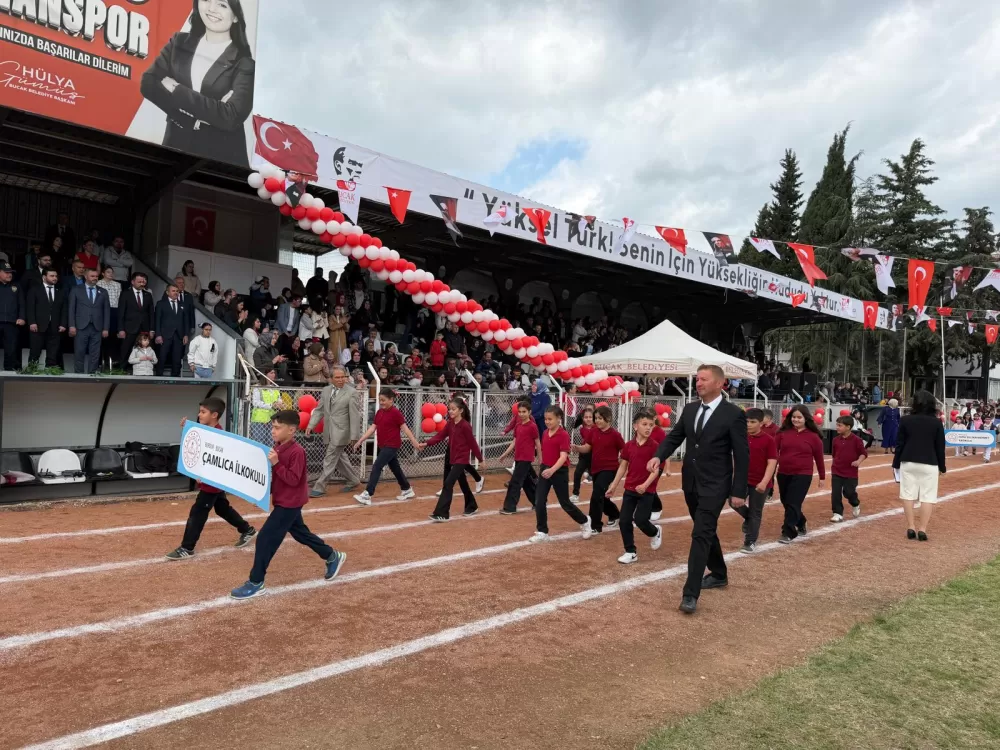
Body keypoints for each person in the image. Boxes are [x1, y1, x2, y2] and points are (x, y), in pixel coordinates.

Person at [648, 364, 749, 615]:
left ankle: (690, 594)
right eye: (697, 379)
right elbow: (675, 436)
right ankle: (719, 573)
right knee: (705, 529)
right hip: (691, 482)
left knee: (701, 533)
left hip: (716, 484)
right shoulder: (691, 409)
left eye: (704, 379)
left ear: (719, 383)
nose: (698, 383)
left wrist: (738, 490)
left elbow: (742, 454)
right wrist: (659, 456)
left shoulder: (733, 414)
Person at [230, 410, 347, 600]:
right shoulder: (277, 448)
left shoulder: (297, 452)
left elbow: (293, 479)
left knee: (265, 538)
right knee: (301, 533)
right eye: (273, 427)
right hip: (284, 500)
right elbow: (275, 479)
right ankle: (332, 555)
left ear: (291, 430)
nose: (273, 431)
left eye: (277, 428)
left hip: (290, 503)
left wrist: (276, 464)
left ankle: (256, 582)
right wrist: (262, 493)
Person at [140, 0, 255, 168]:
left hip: (220, 162)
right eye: (207, 0)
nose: (212, 9)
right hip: (175, 150)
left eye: (222, 5)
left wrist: (176, 89)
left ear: (236, 16)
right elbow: (148, 82)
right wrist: (192, 117)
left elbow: (230, 116)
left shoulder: (244, 63)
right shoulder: (179, 42)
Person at [167, 399, 257, 560]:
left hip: (213, 482)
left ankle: (187, 547)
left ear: (214, 415)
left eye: (203, 412)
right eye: (200, 411)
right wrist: (186, 429)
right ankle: (247, 530)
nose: (199, 415)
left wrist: (206, 476)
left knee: (198, 512)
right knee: (221, 508)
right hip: (209, 480)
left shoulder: (219, 435)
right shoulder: (204, 430)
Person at [606, 408, 664, 563]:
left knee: (640, 520)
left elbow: (656, 470)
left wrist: (645, 485)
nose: (648, 428)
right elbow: (623, 467)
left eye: (651, 425)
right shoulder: (629, 445)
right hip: (630, 488)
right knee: (624, 520)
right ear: (635, 426)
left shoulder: (655, 446)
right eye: (644, 424)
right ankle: (630, 551)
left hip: (647, 490)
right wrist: (613, 485)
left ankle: (655, 532)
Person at [529, 404, 591, 543]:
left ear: (559, 418)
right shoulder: (545, 433)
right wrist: (543, 465)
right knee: (539, 501)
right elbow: (545, 451)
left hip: (559, 471)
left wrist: (552, 470)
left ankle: (585, 520)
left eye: (550, 419)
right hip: (546, 469)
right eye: (546, 419)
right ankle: (542, 531)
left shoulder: (563, 435)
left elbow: (563, 456)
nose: (547, 422)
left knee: (565, 503)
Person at [352, 388, 421, 505]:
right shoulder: (379, 412)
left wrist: (414, 442)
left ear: (391, 400)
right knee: (395, 468)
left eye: (383, 400)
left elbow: (405, 428)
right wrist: (361, 440)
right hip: (383, 445)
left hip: (392, 445)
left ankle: (368, 494)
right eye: (380, 400)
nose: (381, 402)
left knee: (377, 466)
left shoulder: (396, 413)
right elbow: (372, 428)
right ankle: (407, 489)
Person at [893, 390, 947, 542]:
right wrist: (942, 467)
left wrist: (896, 464)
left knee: (907, 495)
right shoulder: (936, 422)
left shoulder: (905, 420)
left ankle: (911, 527)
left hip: (908, 460)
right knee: (927, 497)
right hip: (930, 462)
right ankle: (922, 529)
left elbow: (899, 444)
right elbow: (940, 447)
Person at [423, 397, 485, 521]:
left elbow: (472, 443)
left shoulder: (465, 426)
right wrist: (427, 443)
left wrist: (480, 459)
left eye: (453, 409)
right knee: (463, 484)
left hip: (461, 460)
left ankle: (442, 513)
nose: (450, 411)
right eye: (449, 409)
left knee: (448, 483)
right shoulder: (450, 423)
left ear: (461, 410)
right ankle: (472, 506)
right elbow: (440, 436)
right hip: (453, 458)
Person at [306, 366, 362, 496]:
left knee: (330, 458)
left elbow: (355, 415)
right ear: (331, 378)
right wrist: (311, 425)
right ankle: (353, 480)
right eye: (337, 377)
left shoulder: (352, 392)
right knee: (340, 458)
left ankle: (319, 487)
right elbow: (319, 410)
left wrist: (354, 435)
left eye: (343, 377)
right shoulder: (326, 391)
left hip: (342, 431)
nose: (341, 380)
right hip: (329, 430)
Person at [774, 404, 826, 544]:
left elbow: (819, 458)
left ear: (806, 418)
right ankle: (801, 521)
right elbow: (774, 453)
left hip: (803, 474)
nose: (796, 420)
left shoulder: (814, 437)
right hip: (783, 472)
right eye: (793, 417)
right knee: (786, 501)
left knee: (793, 501)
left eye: (799, 417)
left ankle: (788, 532)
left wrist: (822, 476)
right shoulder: (782, 433)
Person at [574, 405, 624, 534]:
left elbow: (623, 451)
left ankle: (595, 525)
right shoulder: (593, 432)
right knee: (602, 495)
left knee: (596, 495)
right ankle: (615, 515)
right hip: (596, 469)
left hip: (609, 469)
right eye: (596, 418)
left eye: (600, 418)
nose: (597, 421)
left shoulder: (615, 435)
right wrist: (577, 448)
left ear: (608, 419)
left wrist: (621, 463)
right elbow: (587, 447)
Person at [736, 408, 777, 553]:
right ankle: (749, 519)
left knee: (755, 511)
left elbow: (772, 462)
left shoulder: (769, 440)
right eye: (746, 421)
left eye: (752, 422)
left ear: (761, 423)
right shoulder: (740, 437)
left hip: (760, 482)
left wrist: (764, 482)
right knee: (733, 502)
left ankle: (750, 541)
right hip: (742, 480)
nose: (749, 424)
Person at [497, 400, 539, 515]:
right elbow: (514, 442)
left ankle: (510, 507)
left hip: (526, 458)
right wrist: (505, 454)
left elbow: (537, 442)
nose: (521, 414)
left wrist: (541, 458)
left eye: (524, 412)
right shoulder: (518, 426)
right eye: (519, 412)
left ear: (529, 412)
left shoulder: (532, 426)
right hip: (518, 457)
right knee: (526, 482)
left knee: (515, 482)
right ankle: (538, 502)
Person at [67, 268, 110, 374]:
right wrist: (71, 325)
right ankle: (79, 375)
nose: (95, 278)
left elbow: (106, 311)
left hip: (97, 327)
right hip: (80, 326)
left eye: (96, 276)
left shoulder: (103, 291)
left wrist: (106, 328)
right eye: (92, 276)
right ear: (85, 276)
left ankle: (92, 374)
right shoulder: (76, 289)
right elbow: (71, 309)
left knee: (95, 353)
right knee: (79, 352)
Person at [25, 267, 65, 368]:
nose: (55, 278)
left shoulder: (60, 291)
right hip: (38, 325)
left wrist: (63, 324)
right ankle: (31, 371)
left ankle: (50, 371)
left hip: (55, 326)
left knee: (53, 353)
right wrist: (32, 322)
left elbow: (64, 309)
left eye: (56, 276)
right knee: (35, 351)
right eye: (52, 276)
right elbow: (30, 308)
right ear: (44, 277)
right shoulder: (35, 289)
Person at [830, 415, 868, 522]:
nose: (837, 427)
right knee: (835, 493)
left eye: (840, 425)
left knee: (849, 492)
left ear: (848, 427)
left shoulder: (857, 440)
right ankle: (837, 513)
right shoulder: (835, 440)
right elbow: (834, 454)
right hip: (836, 470)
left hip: (850, 472)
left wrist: (858, 461)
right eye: (837, 425)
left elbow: (863, 453)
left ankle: (855, 503)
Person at [117, 272, 154, 365]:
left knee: (143, 350)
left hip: (144, 328)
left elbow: (151, 313)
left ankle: (140, 370)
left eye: (143, 282)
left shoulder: (148, 295)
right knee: (125, 350)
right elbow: (121, 313)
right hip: (129, 327)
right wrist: (121, 329)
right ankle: (122, 370)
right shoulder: (125, 294)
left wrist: (152, 329)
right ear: (132, 282)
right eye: (139, 282)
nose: (142, 284)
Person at [154, 284, 188, 377]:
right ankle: (159, 377)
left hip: (179, 335)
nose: (176, 293)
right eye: (173, 291)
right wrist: (158, 334)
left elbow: (186, 321)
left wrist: (186, 334)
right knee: (162, 357)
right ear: (167, 292)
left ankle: (175, 377)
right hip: (164, 335)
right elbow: (157, 320)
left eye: (177, 291)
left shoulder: (182, 304)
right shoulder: (161, 304)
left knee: (177, 358)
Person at [0, 261, 25, 371]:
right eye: (6, 272)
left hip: (12, 323)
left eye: (10, 272)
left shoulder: (16, 286)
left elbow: (22, 304)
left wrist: (22, 317)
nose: (9, 274)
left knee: (11, 349)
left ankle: (8, 371)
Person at [96, 266, 122, 364]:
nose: (111, 274)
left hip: (114, 310)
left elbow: (119, 298)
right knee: (101, 334)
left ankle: (111, 358)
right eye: (108, 272)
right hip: (101, 310)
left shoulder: (117, 284)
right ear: (103, 273)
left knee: (112, 334)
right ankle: (100, 359)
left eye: (112, 272)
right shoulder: (98, 283)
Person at [570, 406, 595, 502]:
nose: (588, 419)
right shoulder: (582, 429)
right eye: (586, 417)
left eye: (590, 417)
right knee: (577, 473)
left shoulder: (596, 428)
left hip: (594, 455)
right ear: (583, 418)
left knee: (596, 476)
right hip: (584, 454)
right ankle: (575, 494)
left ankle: (600, 493)